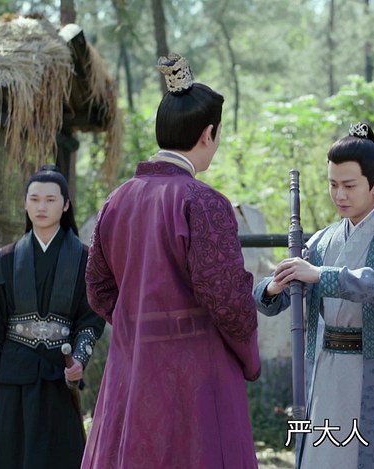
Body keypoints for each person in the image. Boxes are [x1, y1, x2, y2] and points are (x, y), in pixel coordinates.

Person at [81, 53, 261, 469]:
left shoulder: (116, 201)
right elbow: (227, 298)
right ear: (208, 134)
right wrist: (249, 357)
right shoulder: (203, 201)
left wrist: (139, 321)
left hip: (132, 367)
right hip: (194, 373)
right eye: (218, 134)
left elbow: (98, 288)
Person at [254, 122, 374, 469]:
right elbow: (274, 295)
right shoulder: (322, 240)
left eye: (349, 186)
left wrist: (321, 275)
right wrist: (274, 286)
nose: (340, 195)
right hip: (326, 372)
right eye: (333, 185)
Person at [0, 165, 105, 469]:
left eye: (50, 199)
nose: (42, 207)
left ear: (66, 204)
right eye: (34, 199)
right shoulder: (3, 260)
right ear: (25, 204)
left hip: (57, 375)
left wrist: (78, 360)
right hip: (12, 377)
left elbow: (90, 320)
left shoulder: (87, 260)